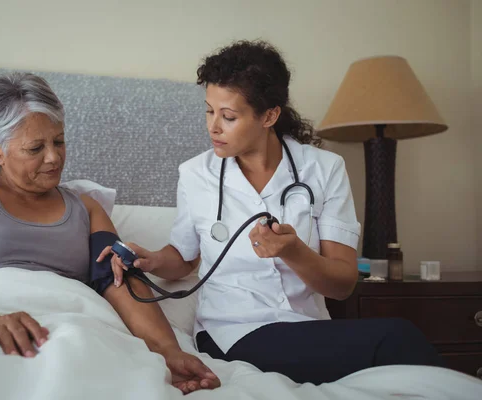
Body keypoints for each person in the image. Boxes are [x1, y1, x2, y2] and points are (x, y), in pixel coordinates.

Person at [104, 40, 444, 384]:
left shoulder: (324, 169)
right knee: (398, 339)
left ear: (269, 115)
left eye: (229, 116)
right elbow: (184, 257)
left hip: (306, 328)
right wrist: (150, 260)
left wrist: (294, 252)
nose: (213, 127)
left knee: (400, 350)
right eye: (209, 111)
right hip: (231, 332)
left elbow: (342, 284)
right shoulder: (196, 174)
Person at [0, 72, 220, 395]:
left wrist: (167, 350)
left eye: (59, 141)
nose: (53, 157)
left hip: (71, 334)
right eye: (35, 147)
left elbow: (120, 282)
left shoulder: (87, 210)